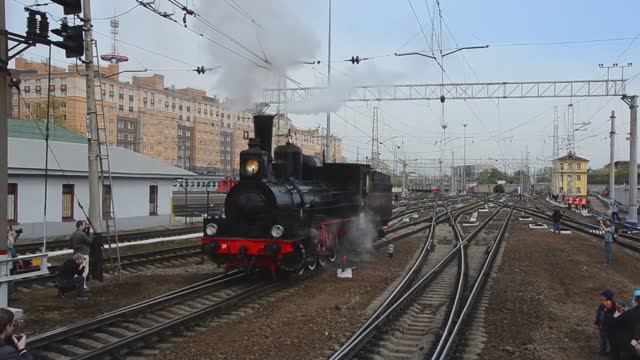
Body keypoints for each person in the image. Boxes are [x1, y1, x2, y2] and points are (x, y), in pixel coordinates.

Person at [611, 290, 640, 359]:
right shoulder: (630, 312)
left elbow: (615, 322)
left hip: (630, 343)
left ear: (636, 301)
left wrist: (619, 312)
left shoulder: (629, 313)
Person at [70, 220, 92, 288]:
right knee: (85, 271)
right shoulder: (82, 234)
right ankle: (82, 285)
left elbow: (70, 245)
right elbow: (90, 242)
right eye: (84, 225)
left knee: (78, 270)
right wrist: (91, 232)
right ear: (80, 226)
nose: (85, 226)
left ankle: (76, 283)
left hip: (75, 254)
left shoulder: (73, 234)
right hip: (84, 254)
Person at [595, 289, 617, 355]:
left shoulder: (602, 305)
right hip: (612, 325)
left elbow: (599, 315)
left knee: (603, 339)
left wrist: (597, 323)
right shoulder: (615, 304)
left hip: (604, 325)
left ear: (605, 297)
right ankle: (612, 351)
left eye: (603, 296)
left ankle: (602, 352)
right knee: (611, 339)